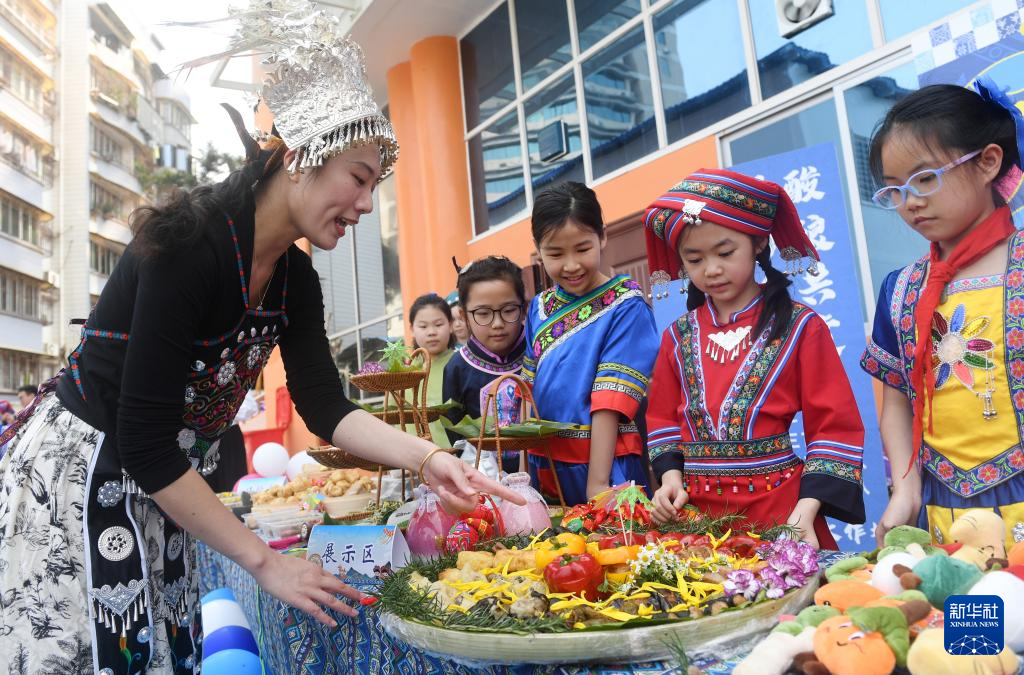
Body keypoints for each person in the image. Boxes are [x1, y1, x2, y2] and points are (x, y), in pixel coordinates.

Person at [0, 3, 522, 671]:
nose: (367, 204)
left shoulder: (294, 279)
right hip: (81, 475)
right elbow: (146, 441)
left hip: (165, 485)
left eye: (374, 186)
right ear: (300, 158)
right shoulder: (192, 245)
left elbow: (325, 406)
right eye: (359, 179)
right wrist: (266, 563)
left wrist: (428, 458)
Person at [644, 169, 865, 549]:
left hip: (781, 514)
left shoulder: (801, 325)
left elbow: (835, 426)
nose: (711, 269)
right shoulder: (677, 337)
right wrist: (669, 478)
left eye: (725, 253)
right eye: (694, 260)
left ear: (759, 243)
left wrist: (806, 510)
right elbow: (662, 419)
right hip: (693, 520)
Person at [860, 78, 1024, 549]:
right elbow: (896, 400)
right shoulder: (901, 289)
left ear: (988, 161)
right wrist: (906, 488)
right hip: (941, 511)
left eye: (925, 178)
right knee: (957, 601)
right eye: (894, 190)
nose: (911, 202)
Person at [523, 182, 658, 506]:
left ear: (602, 237)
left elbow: (612, 398)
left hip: (605, 466)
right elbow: (528, 387)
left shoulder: (626, 305)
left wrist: (597, 484)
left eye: (582, 249)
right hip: (546, 464)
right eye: (555, 254)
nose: (571, 265)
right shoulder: (538, 307)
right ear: (538, 250)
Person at [443, 256, 528, 474]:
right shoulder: (457, 368)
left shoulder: (539, 355)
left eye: (508, 310)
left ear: (524, 308)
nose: (497, 324)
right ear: (464, 315)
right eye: (483, 313)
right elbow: (455, 435)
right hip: (485, 481)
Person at [406, 293, 455, 447]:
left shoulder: (462, 365)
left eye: (438, 324)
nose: (431, 332)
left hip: (454, 457)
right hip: (410, 459)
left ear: (451, 325)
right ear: (412, 329)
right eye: (423, 326)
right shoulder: (402, 374)